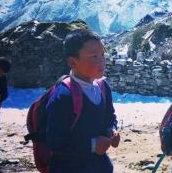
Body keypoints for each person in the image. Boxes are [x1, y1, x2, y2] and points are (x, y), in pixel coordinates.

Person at [46, 29, 120, 173]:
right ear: (72, 62)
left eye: (102, 54)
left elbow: (109, 116)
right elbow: (54, 142)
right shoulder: (64, 96)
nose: (101, 61)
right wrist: (92, 145)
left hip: (99, 166)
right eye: (94, 56)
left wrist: (111, 130)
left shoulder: (103, 87)